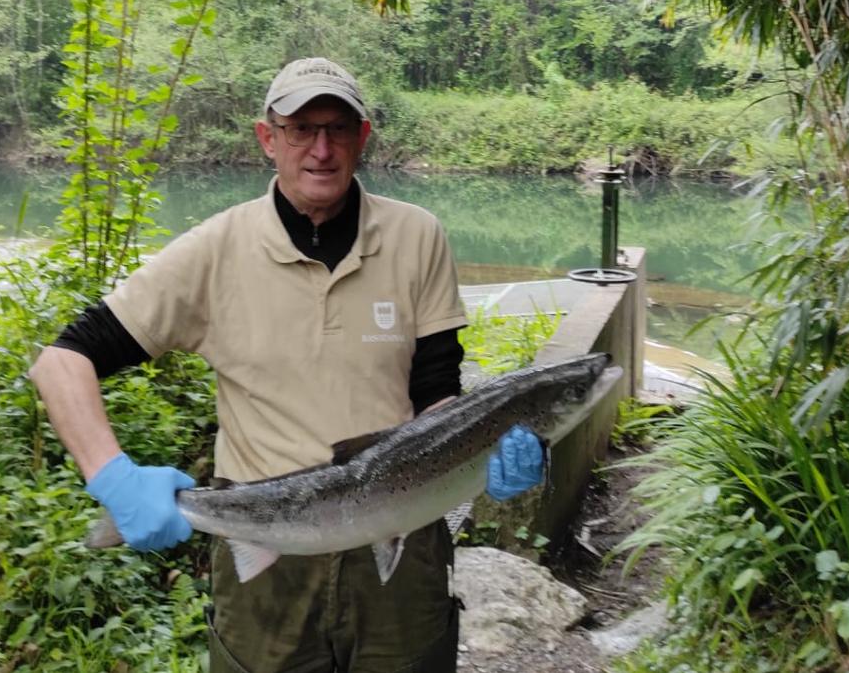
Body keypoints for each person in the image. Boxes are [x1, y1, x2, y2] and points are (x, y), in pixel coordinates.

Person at [29, 57, 545, 673]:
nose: (321, 149)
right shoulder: (214, 250)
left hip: (401, 541)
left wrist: (480, 451)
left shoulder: (417, 236)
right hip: (262, 541)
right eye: (301, 129)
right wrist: (112, 475)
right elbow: (63, 361)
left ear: (363, 137)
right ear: (267, 138)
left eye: (337, 129)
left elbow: (435, 391)